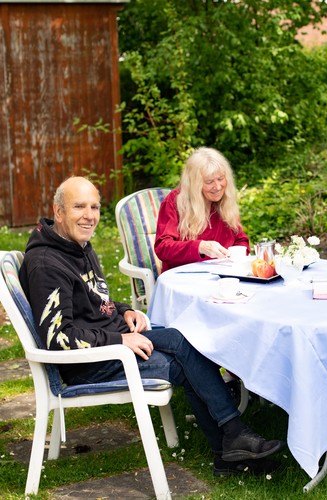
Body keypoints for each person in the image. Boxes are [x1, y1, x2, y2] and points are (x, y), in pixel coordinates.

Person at [19, 176, 284, 476]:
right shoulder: (46, 263)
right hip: (89, 363)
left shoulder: (77, 245)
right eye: (79, 206)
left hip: (109, 341)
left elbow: (94, 301)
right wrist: (119, 340)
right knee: (186, 362)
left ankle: (232, 443)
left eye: (94, 206)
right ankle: (230, 446)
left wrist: (124, 310)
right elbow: (58, 339)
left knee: (185, 340)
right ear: (58, 211)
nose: (89, 215)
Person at [155, 147, 250, 272]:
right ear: (195, 184)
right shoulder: (175, 202)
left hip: (223, 275)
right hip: (184, 277)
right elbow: (163, 248)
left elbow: (241, 240)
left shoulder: (225, 201)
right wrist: (200, 247)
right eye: (209, 181)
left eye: (221, 179)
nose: (217, 186)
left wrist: (236, 254)